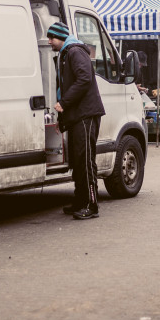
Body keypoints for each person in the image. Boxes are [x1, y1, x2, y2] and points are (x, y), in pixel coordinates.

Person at [47, 22, 106, 220]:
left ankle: (91, 204)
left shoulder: (74, 52)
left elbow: (84, 79)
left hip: (86, 115)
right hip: (78, 115)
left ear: (60, 37)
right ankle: (80, 201)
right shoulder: (67, 53)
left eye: (51, 38)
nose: (49, 42)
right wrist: (63, 118)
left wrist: (64, 103)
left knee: (86, 161)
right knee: (78, 161)